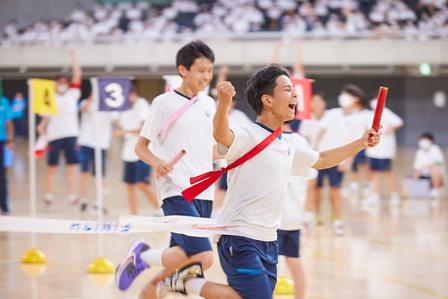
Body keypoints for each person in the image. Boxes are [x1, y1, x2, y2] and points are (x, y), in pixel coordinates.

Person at [152, 64, 380, 299]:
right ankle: (186, 283)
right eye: (287, 89)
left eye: (294, 90)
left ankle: (185, 282)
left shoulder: (289, 144)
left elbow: (321, 159)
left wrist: (361, 142)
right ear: (267, 100)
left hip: (269, 240)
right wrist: (223, 102)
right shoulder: (247, 134)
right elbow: (222, 135)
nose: (294, 95)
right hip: (239, 236)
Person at [115, 41, 217, 298]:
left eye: (210, 71)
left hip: (205, 192)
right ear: (183, 70)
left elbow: (211, 149)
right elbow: (141, 148)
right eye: (201, 70)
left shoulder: (209, 105)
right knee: (204, 257)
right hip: (176, 189)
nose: (206, 76)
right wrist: (157, 162)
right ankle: (157, 278)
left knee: (182, 255)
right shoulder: (163, 102)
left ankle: (144, 265)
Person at [314, 84, 369, 235]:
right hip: (320, 156)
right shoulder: (333, 113)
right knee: (317, 188)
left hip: (338, 159)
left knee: (335, 190)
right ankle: (316, 216)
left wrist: (348, 162)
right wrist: (314, 149)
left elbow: (357, 143)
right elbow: (320, 132)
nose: (343, 98)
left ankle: (337, 220)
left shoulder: (359, 119)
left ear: (356, 99)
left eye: (348, 95)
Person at [277, 121, 317, 299]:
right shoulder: (302, 141)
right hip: (293, 217)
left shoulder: (269, 140)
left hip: (272, 218)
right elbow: (312, 180)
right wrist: (307, 216)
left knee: (266, 268)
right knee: (294, 262)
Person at [37, 49, 82, 205]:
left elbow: (77, 76)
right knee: (52, 166)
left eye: (64, 82)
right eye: (59, 82)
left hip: (71, 134)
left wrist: (73, 57)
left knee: (71, 166)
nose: (62, 84)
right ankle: (48, 194)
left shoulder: (73, 94)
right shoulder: (49, 96)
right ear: (56, 83)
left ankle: (72, 195)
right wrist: (41, 126)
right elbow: (46, 116)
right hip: (54, 136)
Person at [115, 88, 159, 215]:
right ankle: (134, 214)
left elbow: (143, 128)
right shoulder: (123, 108)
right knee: (130, 185)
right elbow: (117, 121)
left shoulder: (141, 104)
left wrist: (123, 132)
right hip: (128, 152)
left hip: (141, 151)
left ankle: (158, 207)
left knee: (142, 183)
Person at [77, 94, 116, 212]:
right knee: (84, 172)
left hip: (101, 144)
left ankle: (98, 201)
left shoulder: (108, 103)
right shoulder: (86, 101)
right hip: (86, 142)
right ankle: (83, 200)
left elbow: (116, 118)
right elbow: (82, 109)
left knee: (99, 175)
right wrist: (92, 98)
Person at [363, 99, 403, 207]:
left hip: (385, 150)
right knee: (374, 172)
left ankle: (395, 195)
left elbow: (398, 122)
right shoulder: (369, 115)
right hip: (373, 150)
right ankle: (375, 196)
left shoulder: (386, 112)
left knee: (387, 172)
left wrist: (390, 128)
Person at [299, 91, 327, 229]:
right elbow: (304, 139)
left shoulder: (331, 118)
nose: (316, 104)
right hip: (313, 160)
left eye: (318, 100)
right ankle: (308, 217)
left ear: (324, 103)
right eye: (313, 101)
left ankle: (320, 215)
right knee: (311, 188)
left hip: (328, 158)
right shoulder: (307, 119)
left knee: (331, 189)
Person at [413, 132, 445, 199]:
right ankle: (415, 190)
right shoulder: (419, 152)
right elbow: (416, 166)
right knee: (416, 172)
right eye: (422, 140)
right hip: (423, 174)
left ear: (431, 141)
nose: (424, 142)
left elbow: (439, 163)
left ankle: (436, 190)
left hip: (435, 173)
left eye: (426, 140)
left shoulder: (435, 149)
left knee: (435, 169)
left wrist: (428, 166)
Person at [0, 96, 14, 215]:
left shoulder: (3, 101)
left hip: (1, 141)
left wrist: (10, 140)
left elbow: (9, 122)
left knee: (2, 175)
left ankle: (4, 205)